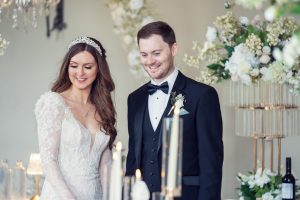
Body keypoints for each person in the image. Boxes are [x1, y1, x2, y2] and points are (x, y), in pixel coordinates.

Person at [125, 21, 223, 199]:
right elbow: (133, 159)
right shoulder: (135, 99)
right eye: (144, 54)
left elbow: (211, 164)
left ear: (174, 48)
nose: (150, 61)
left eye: (156, 53)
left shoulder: (202, 95)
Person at [34, 36, 116, 199]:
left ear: (98, 69)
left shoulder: (103, 108)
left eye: (87, 67)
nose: (80, 73)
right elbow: (48, 161)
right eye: (74, 66)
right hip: (61, 196)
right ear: (67, 68)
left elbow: (105, 166)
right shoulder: (54, 103)